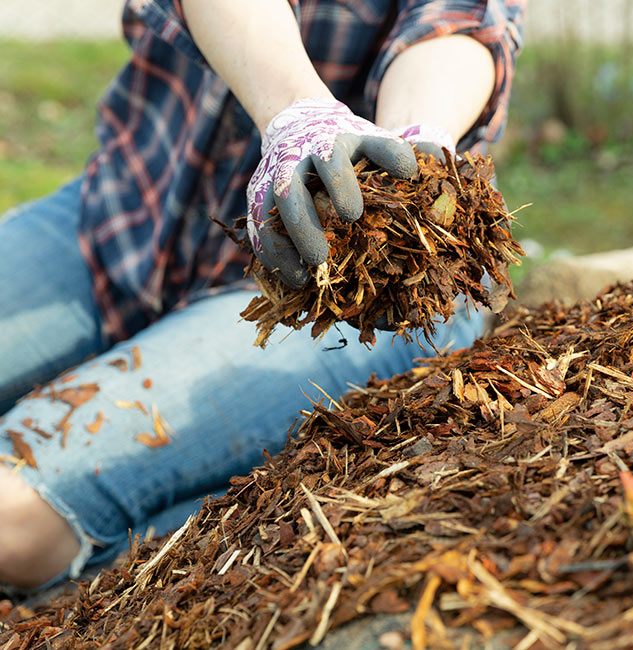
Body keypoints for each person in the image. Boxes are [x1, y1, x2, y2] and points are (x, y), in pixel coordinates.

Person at [0, 0, 524, 591]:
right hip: (126, 215)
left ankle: (200, 525)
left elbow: (457, 24)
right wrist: (297, 115)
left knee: (12, 521)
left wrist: (415, 140)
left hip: (333, 298)